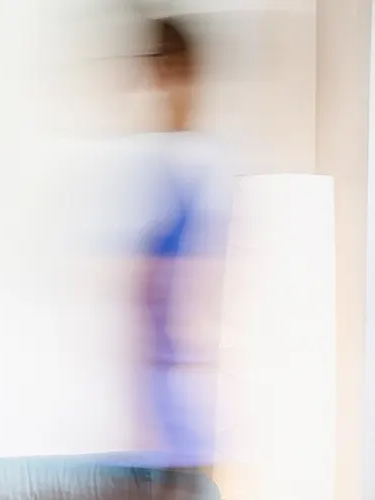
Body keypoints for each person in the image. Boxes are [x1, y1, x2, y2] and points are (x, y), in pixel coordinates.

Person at [123, 15, 232, 500]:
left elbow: (206, 280)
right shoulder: (152, 162)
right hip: (155, 379)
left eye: (164, 72)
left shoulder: (207, 162)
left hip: (190, 380)